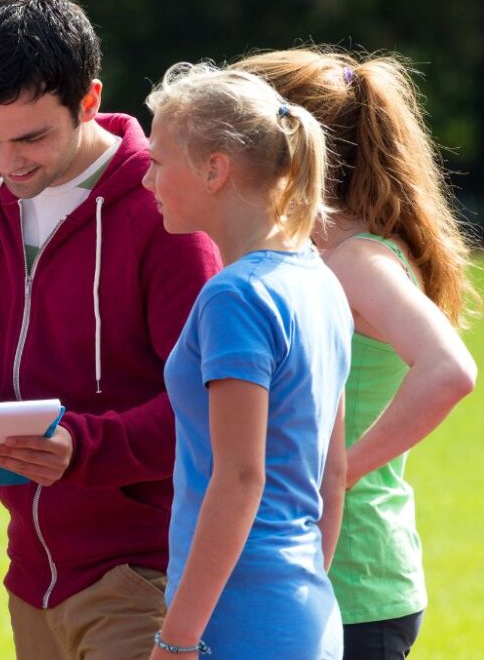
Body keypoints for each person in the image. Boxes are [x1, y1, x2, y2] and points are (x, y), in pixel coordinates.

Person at [0, 0, 221, 660]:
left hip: (141, 576)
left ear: (89, 101)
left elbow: (206, 409)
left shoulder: (161, 209)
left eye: (31, 137)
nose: (8, 161)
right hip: (29, 579)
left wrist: (80, 448)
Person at [233, 48, 478, 659]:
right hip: (324, 572)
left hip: (355, 584)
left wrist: (340, 470)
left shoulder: (355, 258)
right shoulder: (316, 252)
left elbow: (450, 370)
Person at [142, 62, 350, 659]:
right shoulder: (318, 278)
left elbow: (239, 478)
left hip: (235, 621)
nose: (148, 181)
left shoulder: (235, 295)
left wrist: (176, 642)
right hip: (303, 612)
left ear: (214, 169)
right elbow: (330, 479)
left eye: (158, 162)